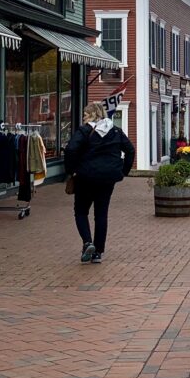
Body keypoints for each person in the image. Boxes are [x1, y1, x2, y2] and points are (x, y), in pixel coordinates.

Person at [64, 101, 134, 264]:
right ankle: (98, 253)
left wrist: (71, 170)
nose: (83, 118)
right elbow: (130, 150)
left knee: (81, 211)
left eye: (85, 114)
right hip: (108, 178)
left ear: (91, 115)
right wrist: (123, 171)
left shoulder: (85, 131)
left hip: (86, 177)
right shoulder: (115, 131)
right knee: (101, 214)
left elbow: (71, 150)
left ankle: (88, 242)